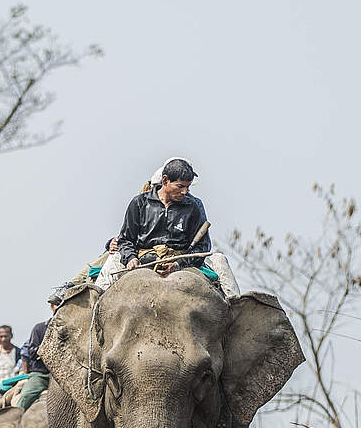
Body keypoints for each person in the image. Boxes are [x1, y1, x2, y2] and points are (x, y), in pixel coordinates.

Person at [96, 157, 240, 297]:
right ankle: (94, 307)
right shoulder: (139, 203)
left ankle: (236, 305)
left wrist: (178, 264)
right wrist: (131, 258)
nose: (185, 192)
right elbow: (126, 239)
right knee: (102, 286)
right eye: (180, 186)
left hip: (181, 260)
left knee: (220, 264)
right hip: (144, 258)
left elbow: (202, 246)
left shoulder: (193, 206)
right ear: (165, 180)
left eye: (187, 187)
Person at [15, 290, 62, 410]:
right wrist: (49, 350)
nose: (59, 307)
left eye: (61, 304)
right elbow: (32, 352)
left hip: (63, 376)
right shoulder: (39, 328)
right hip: (41, 375)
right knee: (24, 398)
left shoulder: (73, 329)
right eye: (56, 304)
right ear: (51, 307)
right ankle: (15, 422)